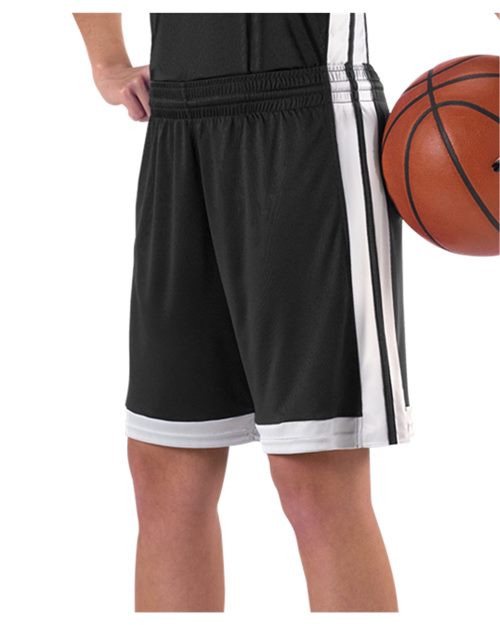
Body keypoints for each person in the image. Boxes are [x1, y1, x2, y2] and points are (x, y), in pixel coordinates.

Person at [73, 12, 416, 612]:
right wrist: (107, 61)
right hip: (177, 123)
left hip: (307, 115)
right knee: (164, 469)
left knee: (314, 475)